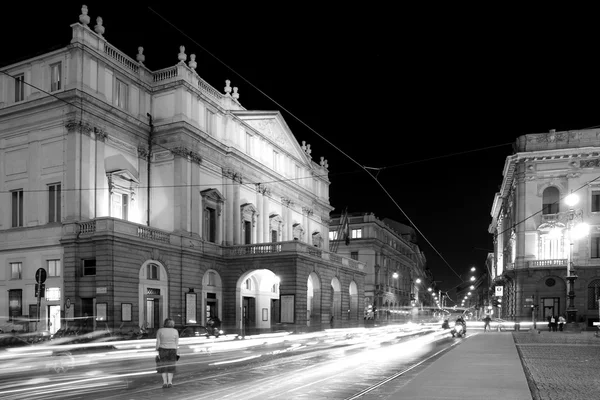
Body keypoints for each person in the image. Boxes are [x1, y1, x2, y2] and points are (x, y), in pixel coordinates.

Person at [156, 318, 179, 388]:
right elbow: (176, 343)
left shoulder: (160, 330)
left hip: (162, 350)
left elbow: (158, 342)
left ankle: (164, 382)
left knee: (163, 366)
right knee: (171, 367)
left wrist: (157, 349)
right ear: (172, 324)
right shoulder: (175, 331)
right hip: (172, 350)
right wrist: (176, 351)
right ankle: (170, 382)